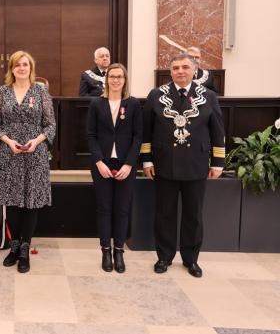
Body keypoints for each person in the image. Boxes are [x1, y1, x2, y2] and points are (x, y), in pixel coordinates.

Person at [141, 53, 225, 278]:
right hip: (164, 164)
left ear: (194, 70)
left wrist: (218, 162)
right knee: (164, 214)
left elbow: (217, 131)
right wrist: (147, 159)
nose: (180, 71)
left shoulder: (208, 96)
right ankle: (164, 257)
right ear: (170, 72)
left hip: (196, 164)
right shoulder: (156, 95)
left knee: (193, 215)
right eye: (176, 68)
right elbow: (146, 130)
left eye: (185, 67)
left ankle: (191, 259)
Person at [0, 50, 56, 273]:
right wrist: (8, 141)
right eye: (17, 65)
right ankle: (14, 246)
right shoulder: (2, 91)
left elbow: (50, 125)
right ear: (11, 68)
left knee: (31, 201)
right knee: (12, 201)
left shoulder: (40, 91)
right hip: (9, 154)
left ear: (31, 67)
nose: (21, 68)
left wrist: (36, 141)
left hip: (34, 154)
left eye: (25, 64)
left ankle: (25, 248)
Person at [87, 63, 142, 273]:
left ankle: (119, 250)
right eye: (112, 76)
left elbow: (138, 136)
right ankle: (105, 251)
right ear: (107, 79)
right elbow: (91, 135)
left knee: (122, 209)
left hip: (125, 164)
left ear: (125, 80)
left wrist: (129, 163)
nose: (116, 80)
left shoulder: (133, 104)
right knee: (104, 208)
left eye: (120, 77)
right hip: (102, 163)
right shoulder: (96, 104)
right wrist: (99, 161)